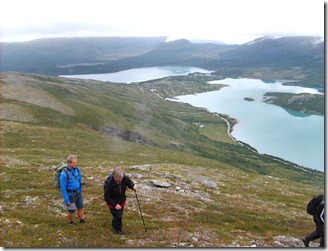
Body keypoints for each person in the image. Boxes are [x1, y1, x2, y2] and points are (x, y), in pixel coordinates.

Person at [104, 167, 137, 235]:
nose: (119, 181)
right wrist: (115, 205)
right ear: (114, 177)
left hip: (121, 201)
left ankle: (114, 226)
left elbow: (129, 182)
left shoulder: (123, 177)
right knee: (118, 216)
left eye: (120, 179)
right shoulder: (109, 184)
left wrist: (132, 186)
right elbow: (107, 197)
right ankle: (118, 230)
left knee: (119, 215)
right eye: (118, 180)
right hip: (113, 203)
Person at [60, 155, 86, 226]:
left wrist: (80, 190)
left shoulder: (77, 169)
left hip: (78, 193)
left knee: (80, 207)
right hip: (70, 195)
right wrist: (66, 200)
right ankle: (72, 222)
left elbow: (79, 179)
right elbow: (63, 188)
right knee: (71, 210)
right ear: (69, 163)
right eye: (74, 163)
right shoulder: (63, 174)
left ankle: (82, 220)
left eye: (76, 162)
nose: (75, 164)